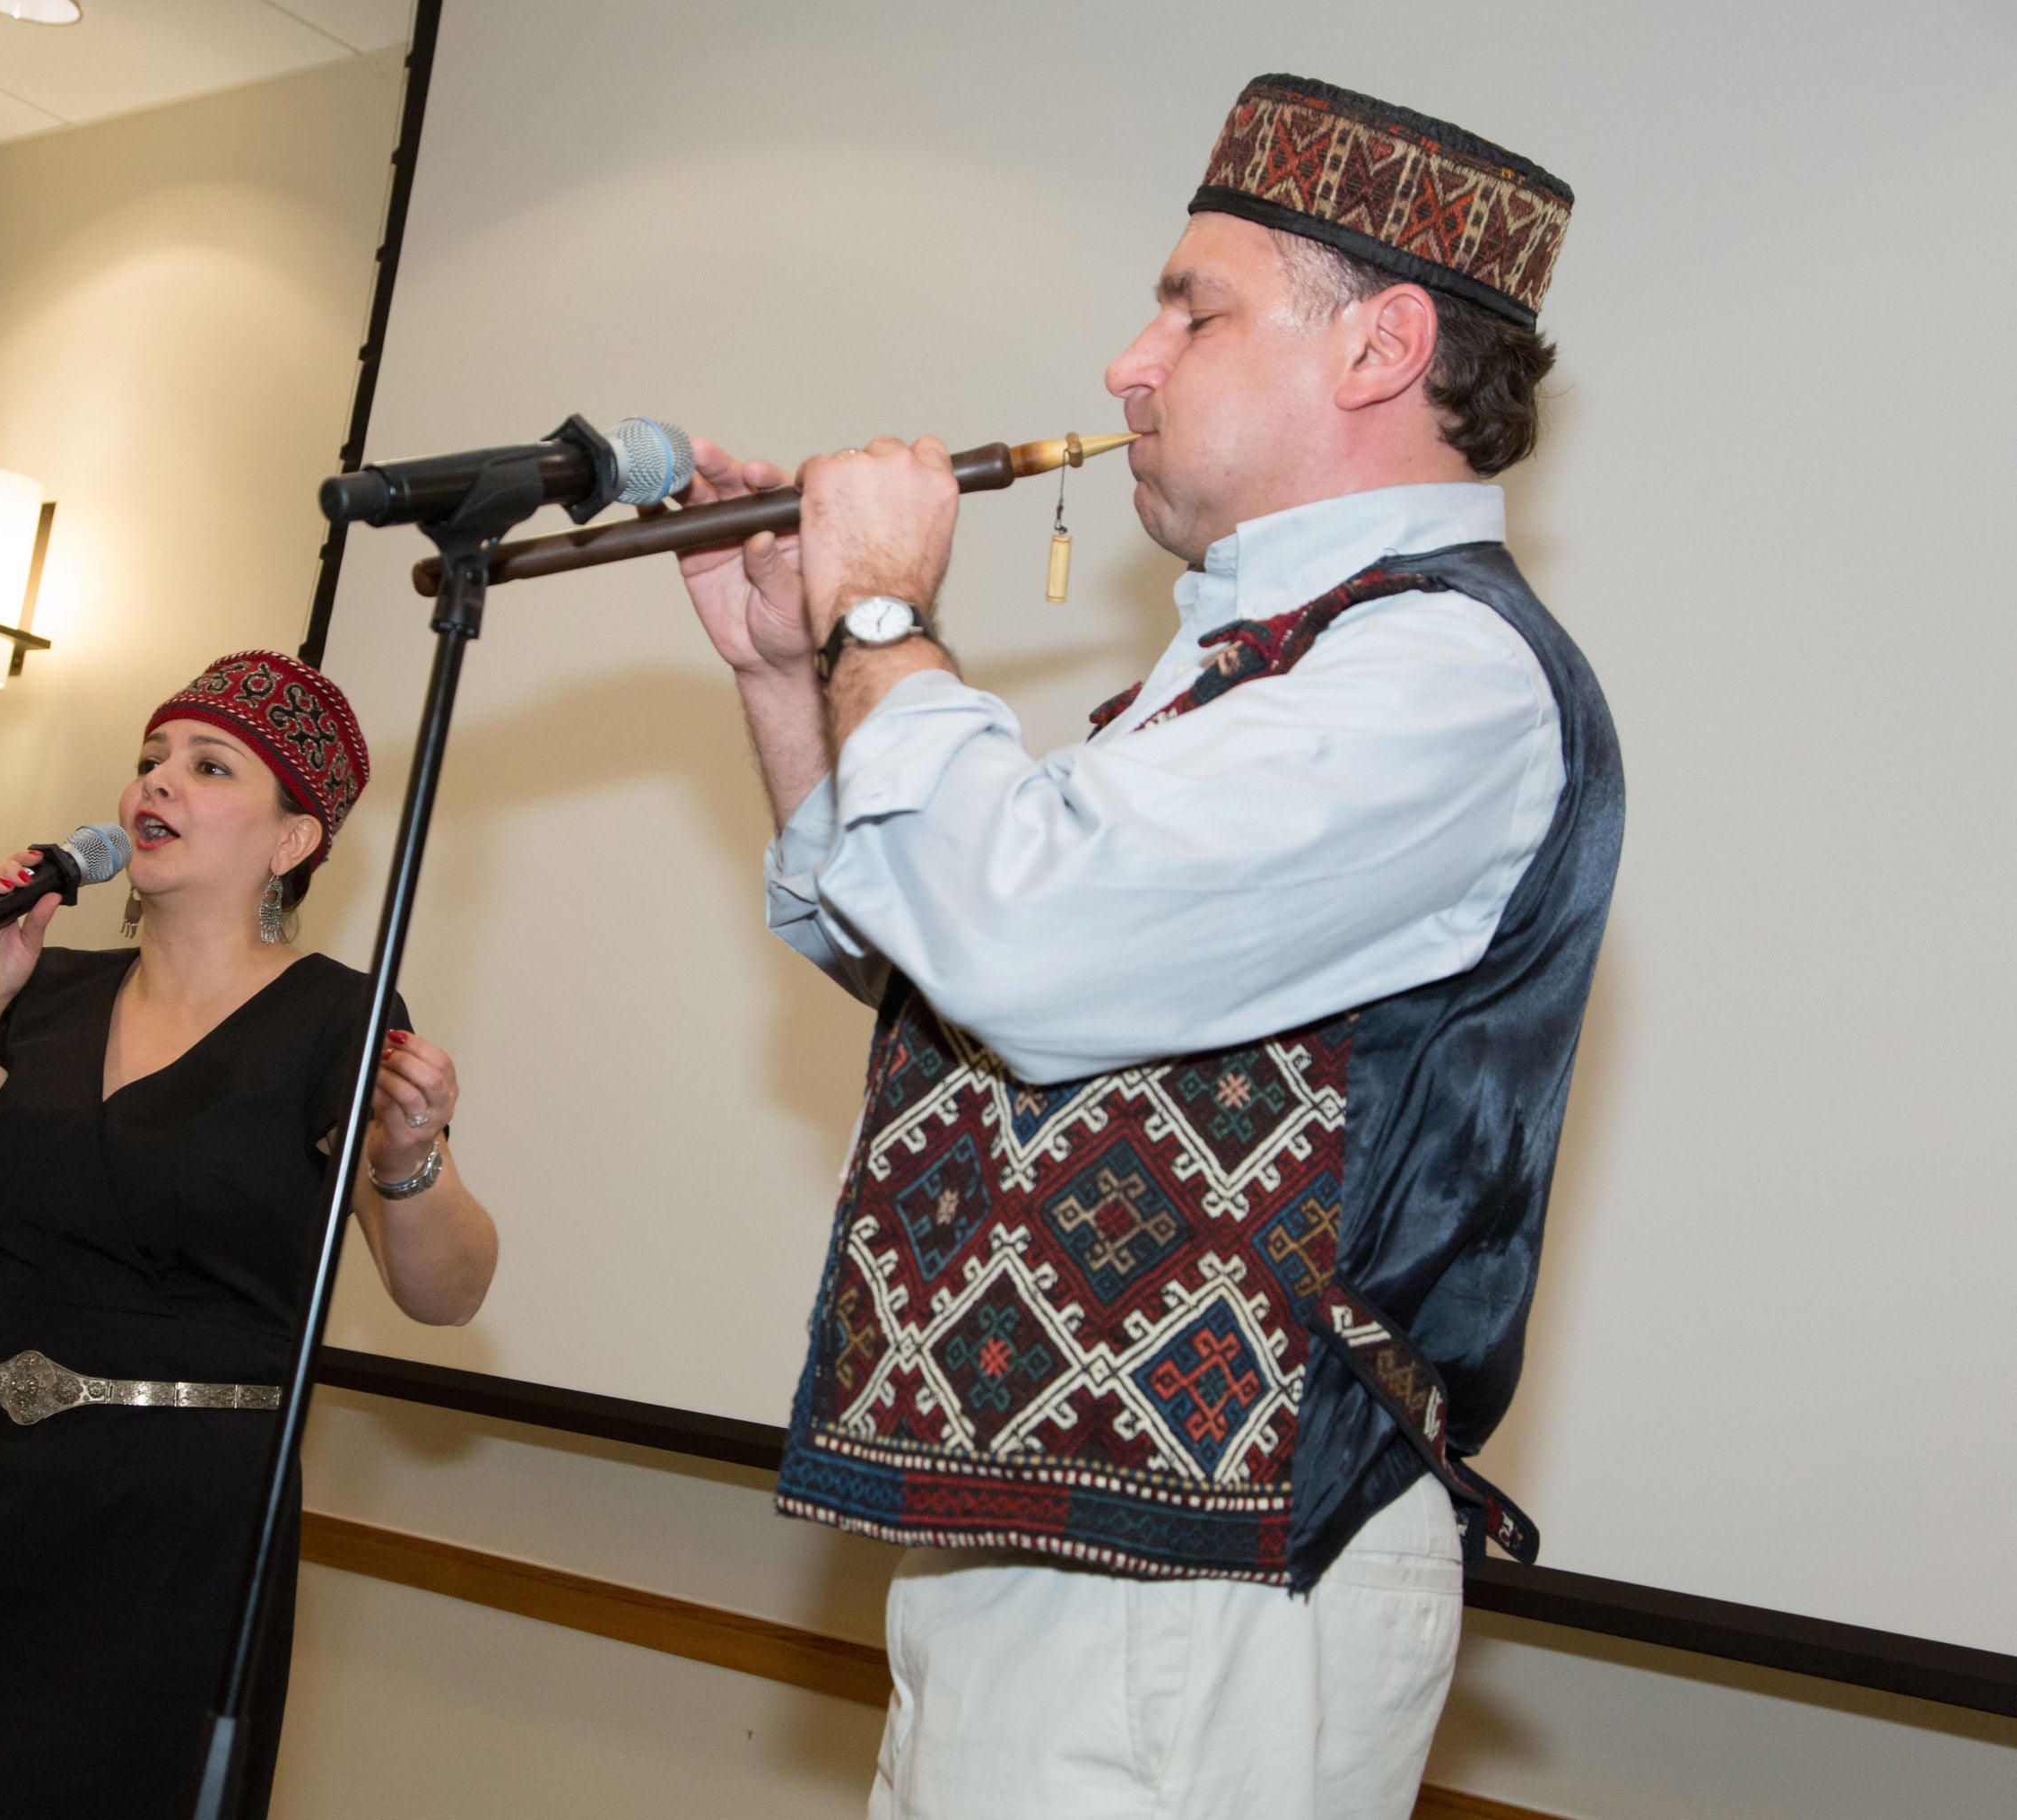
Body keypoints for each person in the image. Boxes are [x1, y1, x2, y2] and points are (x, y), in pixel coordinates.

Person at [669, 74, 1621, 1820]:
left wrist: (883, 616)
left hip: (1220, 1576)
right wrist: (787, 678)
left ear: (1380, 346)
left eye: (1194, 305)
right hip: (1070, 1539)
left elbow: (1020, 939)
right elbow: (949, 966)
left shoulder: (1448, 677)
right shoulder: (1248, 668)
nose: (1129, 359)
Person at [0, 650, 499, 1820]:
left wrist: (411, 1161)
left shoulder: (335, 1019)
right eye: (149, 758)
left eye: (208, 765)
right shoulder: (40, 991)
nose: (157, 782)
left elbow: (447, 1291)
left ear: (292, 841)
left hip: (172, 1535)